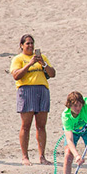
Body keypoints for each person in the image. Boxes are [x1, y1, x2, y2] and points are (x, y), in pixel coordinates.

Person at [10, 34, 55, 166]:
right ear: (22, 45)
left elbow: (52, 74)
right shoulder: (18, 59)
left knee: (41, 126)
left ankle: (42, 156)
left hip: (42, 90)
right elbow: (16, 75)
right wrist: (30, 64)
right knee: (26, 125)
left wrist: (43, 63)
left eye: (32, 43)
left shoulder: (42, 58)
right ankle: (25, 156)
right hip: (26, 91)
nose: (30, 46)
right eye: (27, 43)